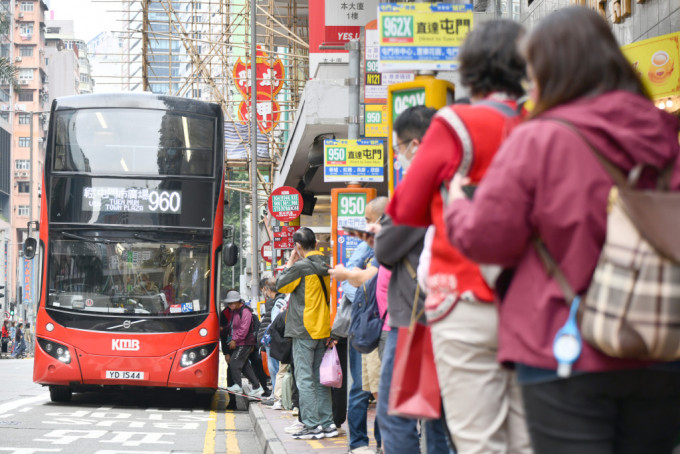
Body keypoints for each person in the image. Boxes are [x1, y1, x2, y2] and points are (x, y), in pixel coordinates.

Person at [445, 7, 680, 454]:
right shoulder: (665, 135)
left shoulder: (540, 139)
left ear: (550, 69)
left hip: (564, 343)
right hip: (661, 341)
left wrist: (457, 205)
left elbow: (487, 236)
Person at [387, 19, 532, 454]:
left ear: (469, 69)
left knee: (478, 441)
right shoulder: (540, 122)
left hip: (462, 295)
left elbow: (405, 210)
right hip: (532, 298)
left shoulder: (455, 124)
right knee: (528, 439)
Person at [372, 105, 453, 454]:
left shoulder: (423, 181)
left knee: (397, 412)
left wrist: (381, 233)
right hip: (450, 309)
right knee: (438, 418)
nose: (398, 156)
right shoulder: (457, 174)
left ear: (416, 145)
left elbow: (386, 248)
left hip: (416, 316)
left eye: (398, 147)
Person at [329, 197, 387, 454]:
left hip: (386, 324)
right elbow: (350, 280)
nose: (365, 226)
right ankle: (360, 443)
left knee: (383, 388)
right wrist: (370, 302)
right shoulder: (371, 244)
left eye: (367, 220)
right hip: (368, 326)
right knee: (362, 388)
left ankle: (382, 443)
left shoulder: (391, 238)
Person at [276, 227, 336, 440]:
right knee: (321, 380)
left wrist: (291, 262)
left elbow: (281, 286)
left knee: (304, 379)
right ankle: (327, 423)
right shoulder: (325, 264)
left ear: (298, 247)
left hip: (304, 330)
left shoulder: (301, 267)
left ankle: (311, 425)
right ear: (316, 244)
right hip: (322, 329)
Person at [223, 289, 265, 398]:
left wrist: (235, 340)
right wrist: (224, 329)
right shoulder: (235, 312)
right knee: (245, 366)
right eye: (229, 303)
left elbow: (244, 329)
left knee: (234, 362)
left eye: (232, 303)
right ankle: (256, 386)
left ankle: (238, 385)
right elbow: (233, 327)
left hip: (244, 342)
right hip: (240, 342)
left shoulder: (245, 312)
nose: (230, 305)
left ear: (238, 301)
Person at [258, 276, 287, 407]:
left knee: (275, 369)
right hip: (274, 340)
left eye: (265, 290)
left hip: (274, 340)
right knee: (275, 369)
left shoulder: (278, 302)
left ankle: (276, 397)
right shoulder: (280, 300)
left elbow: (276, 322)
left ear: (268, 289)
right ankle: (275, 396)